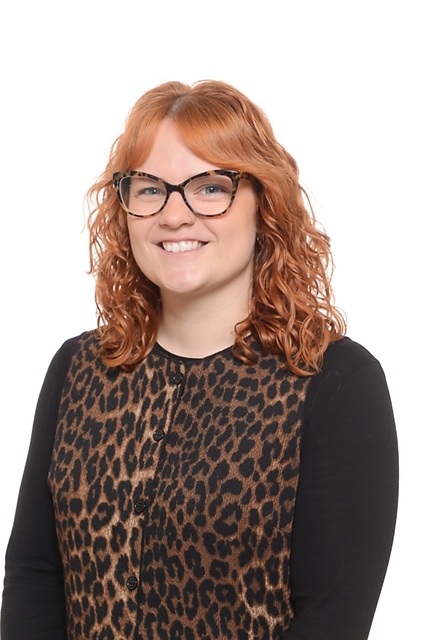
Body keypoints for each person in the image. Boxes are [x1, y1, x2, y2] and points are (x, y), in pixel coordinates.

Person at [1, 80, 398, 640]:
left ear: (264, 204)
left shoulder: (335, 382)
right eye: (149, 189)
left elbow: (332, 618)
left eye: (210, 188)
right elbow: (34, 576)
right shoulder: (78, 367)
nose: (174, 215)